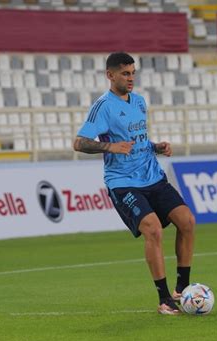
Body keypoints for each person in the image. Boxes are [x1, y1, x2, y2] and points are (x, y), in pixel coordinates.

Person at [73, 52, 195, 315]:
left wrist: (156, 147)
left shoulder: (139, 102)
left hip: (152, 175)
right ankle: (164, 299)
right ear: (110, 75)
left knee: (187, 221)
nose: (130, 78)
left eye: (133, 73)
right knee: (153, 229)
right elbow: (79, 142)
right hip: (123, 182)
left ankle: (181, 290)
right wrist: (110, 146)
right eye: (125, 73)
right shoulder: (103, 106)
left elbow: (138, 140)